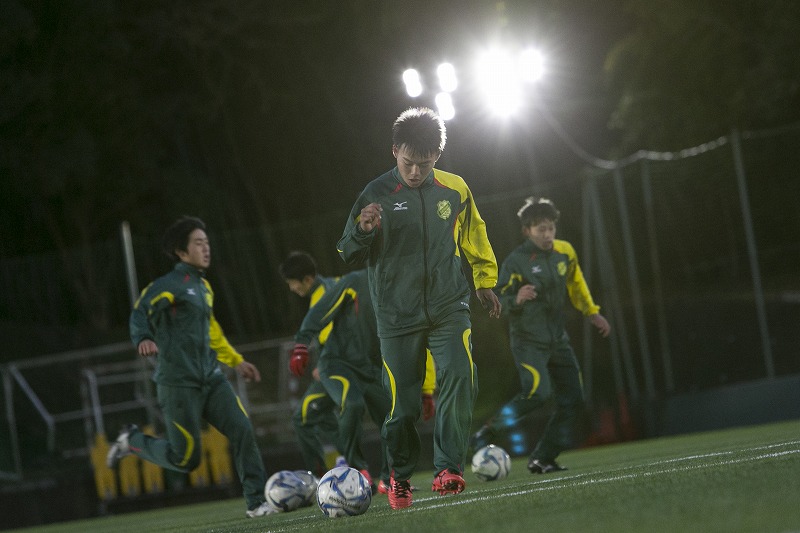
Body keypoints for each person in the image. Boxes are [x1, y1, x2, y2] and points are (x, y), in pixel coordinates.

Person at [337, 107, 502, 509]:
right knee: (402, 407)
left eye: (424, 164)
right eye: (408, 163)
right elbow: (345, 251)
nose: (415, 172)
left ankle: (449, 468)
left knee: (461, 374)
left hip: (450, 304)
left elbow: (473, 233)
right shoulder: (375, 193)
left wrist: (484, 280)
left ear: (437, 158)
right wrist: (362, 230)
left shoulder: (455, 189)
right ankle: (400, 475)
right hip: (396, 316)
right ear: (394, 151)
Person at [107, 216, 275, 518]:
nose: (206, 248)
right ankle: (130, 441)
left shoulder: (205, 288)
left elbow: (212, 333)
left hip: (211, 379)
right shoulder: (169, 285)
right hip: (177, 384)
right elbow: (140, 312)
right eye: (198, 243)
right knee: (186, 459)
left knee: (242, 430)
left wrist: (237, 362)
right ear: (181, 252)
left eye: (207, 242)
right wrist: (143, 337)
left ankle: (257, 503)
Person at [470, 197, 611, 474]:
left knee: (574, 398)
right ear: (527, 231)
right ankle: (488, 431)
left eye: (550, 229)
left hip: (558, 340)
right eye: (540, 230)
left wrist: (592, 312)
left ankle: (543, 457)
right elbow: (493, 299)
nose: (547, 235)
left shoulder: (565, 252)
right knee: (538, 392)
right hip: (527, 341)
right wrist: (516, 299)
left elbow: (576, 283)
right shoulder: (516, 262)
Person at [278, 251, 341, 477]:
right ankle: (359, 468)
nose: (291, 288)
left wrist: (324, 364)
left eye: (292, 283)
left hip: (340, 366)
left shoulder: (321, 295)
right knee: (324, 415)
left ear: (306, 279)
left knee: (301, 419)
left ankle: (318, 477)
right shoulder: (334, 283)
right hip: (356, 361)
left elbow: (335, 334)